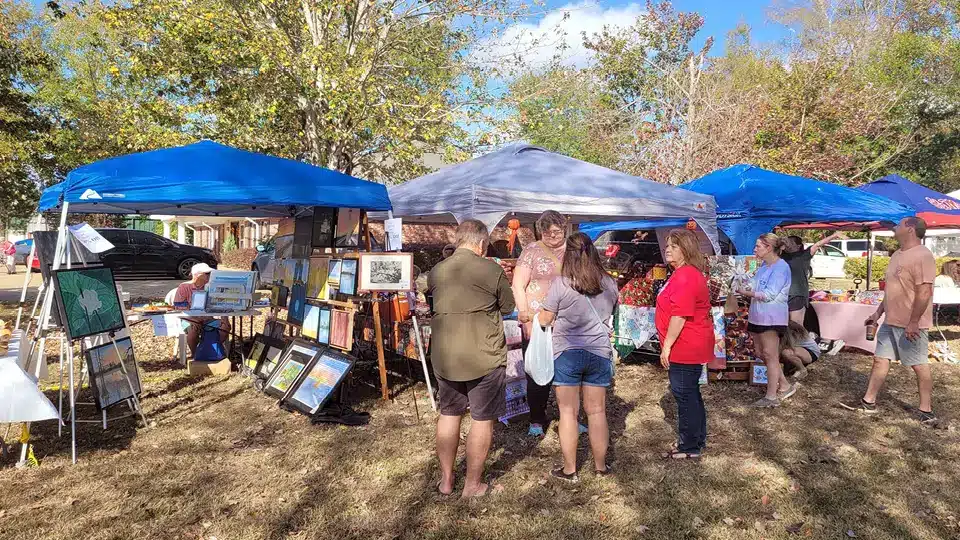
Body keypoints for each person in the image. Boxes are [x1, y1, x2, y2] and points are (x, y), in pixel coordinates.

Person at [428, 219, 515, 498]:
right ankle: (473, 485)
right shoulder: (491, 269)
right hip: (483, 355)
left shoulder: (437, 270)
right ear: (481, 244)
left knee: (449, 414)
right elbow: (508, 306)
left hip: (445, 355)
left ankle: (446, 480)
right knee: (481, 419)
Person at [538, 233, 617, 481]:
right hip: (599, 352)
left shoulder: (561, 284)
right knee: (597, 412)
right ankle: (600, 467)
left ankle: (570, 470)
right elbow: (614, 311)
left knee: (568, 413)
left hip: (567, 353)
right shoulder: (609, 283)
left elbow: (545, 319)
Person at [858, 217, 936, 424]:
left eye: (899, 225)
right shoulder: (897, 255)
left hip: (910, 323)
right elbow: (891, 290)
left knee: (918, 364)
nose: (895, 227)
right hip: (890, 321)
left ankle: (925, 410)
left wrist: (914, 321)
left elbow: (925, 291)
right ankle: (869, 401)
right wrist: (877, 313)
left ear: (910, 229)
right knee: (880, 359)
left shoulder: (923, 255)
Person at [513, 210, 584, 437]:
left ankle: (571, 417)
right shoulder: (531, 251)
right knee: (537, 369)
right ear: (540, 231)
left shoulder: (574, 251)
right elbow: (518, 285)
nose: (553, 235)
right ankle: (536, 418)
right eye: (548, 230)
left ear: (564, 229)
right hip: (537, 320)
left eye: (558, 230)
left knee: (570, 371)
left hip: (568, 320)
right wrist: (524, 315)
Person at [656, 229, 713, 460]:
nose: (668, 249)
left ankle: (689, 445)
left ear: (686, 250)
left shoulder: (686, 275)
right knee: (690, 393)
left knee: (684, 394)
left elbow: (680, 314)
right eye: (668, 245)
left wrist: (667, 346)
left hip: (686, 343)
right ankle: (695, 438)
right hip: (689, 341)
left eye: (674, 246)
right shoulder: (683, 273)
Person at [737, 233, 797, 408]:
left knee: (770, 354)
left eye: (758, 246)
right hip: (757, 314)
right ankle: (784, 385)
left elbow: (769, 294)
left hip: (771, 317)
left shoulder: (781, 267)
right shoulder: (764, 266)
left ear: (769, 248)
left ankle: (771, 396)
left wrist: (746, 293)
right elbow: (754, 284)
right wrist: (742, 284)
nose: (755, 249)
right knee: (760, 352)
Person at [782, 232, 843, 324]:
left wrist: (834, 235)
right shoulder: (781, 255)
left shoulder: (804, 255)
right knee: (783, 325)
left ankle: (801, 338)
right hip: (782, 294)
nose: (787, 245)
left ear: (798, 246)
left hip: (798, 295)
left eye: (791, 242)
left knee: (796, 326)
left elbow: (818, 244)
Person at [173, 263, 231, 356]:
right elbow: (178, 307)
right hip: (189, 319)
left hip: (208, 319)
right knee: (193, 330)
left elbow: (219, 303)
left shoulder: (211, 287)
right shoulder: (184, 287)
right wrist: (192, 319)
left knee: (225, 326)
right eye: (207, 274)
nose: (209, 276)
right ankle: (196, 354)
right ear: (197, 275)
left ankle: (210, 351)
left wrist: (224, 316)